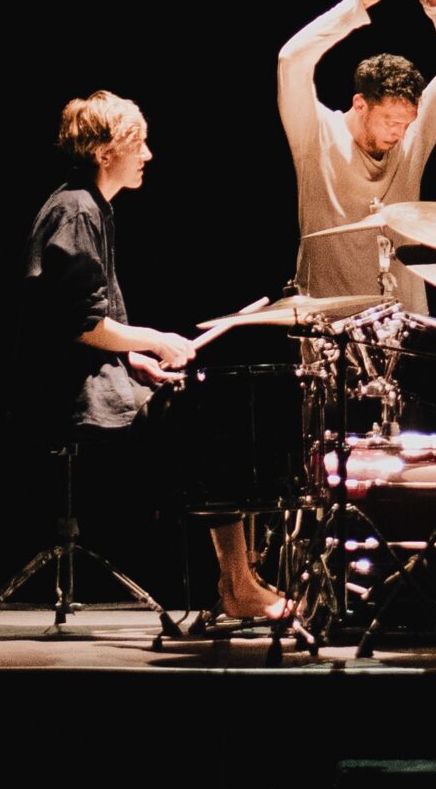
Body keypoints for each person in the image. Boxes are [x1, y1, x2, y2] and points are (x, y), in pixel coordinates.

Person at [19, 90, 290, 621]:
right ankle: (237, 585)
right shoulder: (77, 211)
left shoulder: (89, 207)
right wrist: (155, 340)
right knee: (214, 425)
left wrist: (135, 363)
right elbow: (82, 325)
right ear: (105, 152)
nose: (148, 154)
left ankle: (241, 578)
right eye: (137, 144)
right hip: (65, 395)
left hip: (84, 379)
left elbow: (79, 326)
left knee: (213, 410)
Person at [276, 0, 436, 314]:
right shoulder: (315, 134)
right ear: (360, 104)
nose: (400, 133)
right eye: (389, 121)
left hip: (404, 324)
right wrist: (355, 6)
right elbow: (291, 60)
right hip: (329, 328)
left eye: (406, 123)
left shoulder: (411, 133)